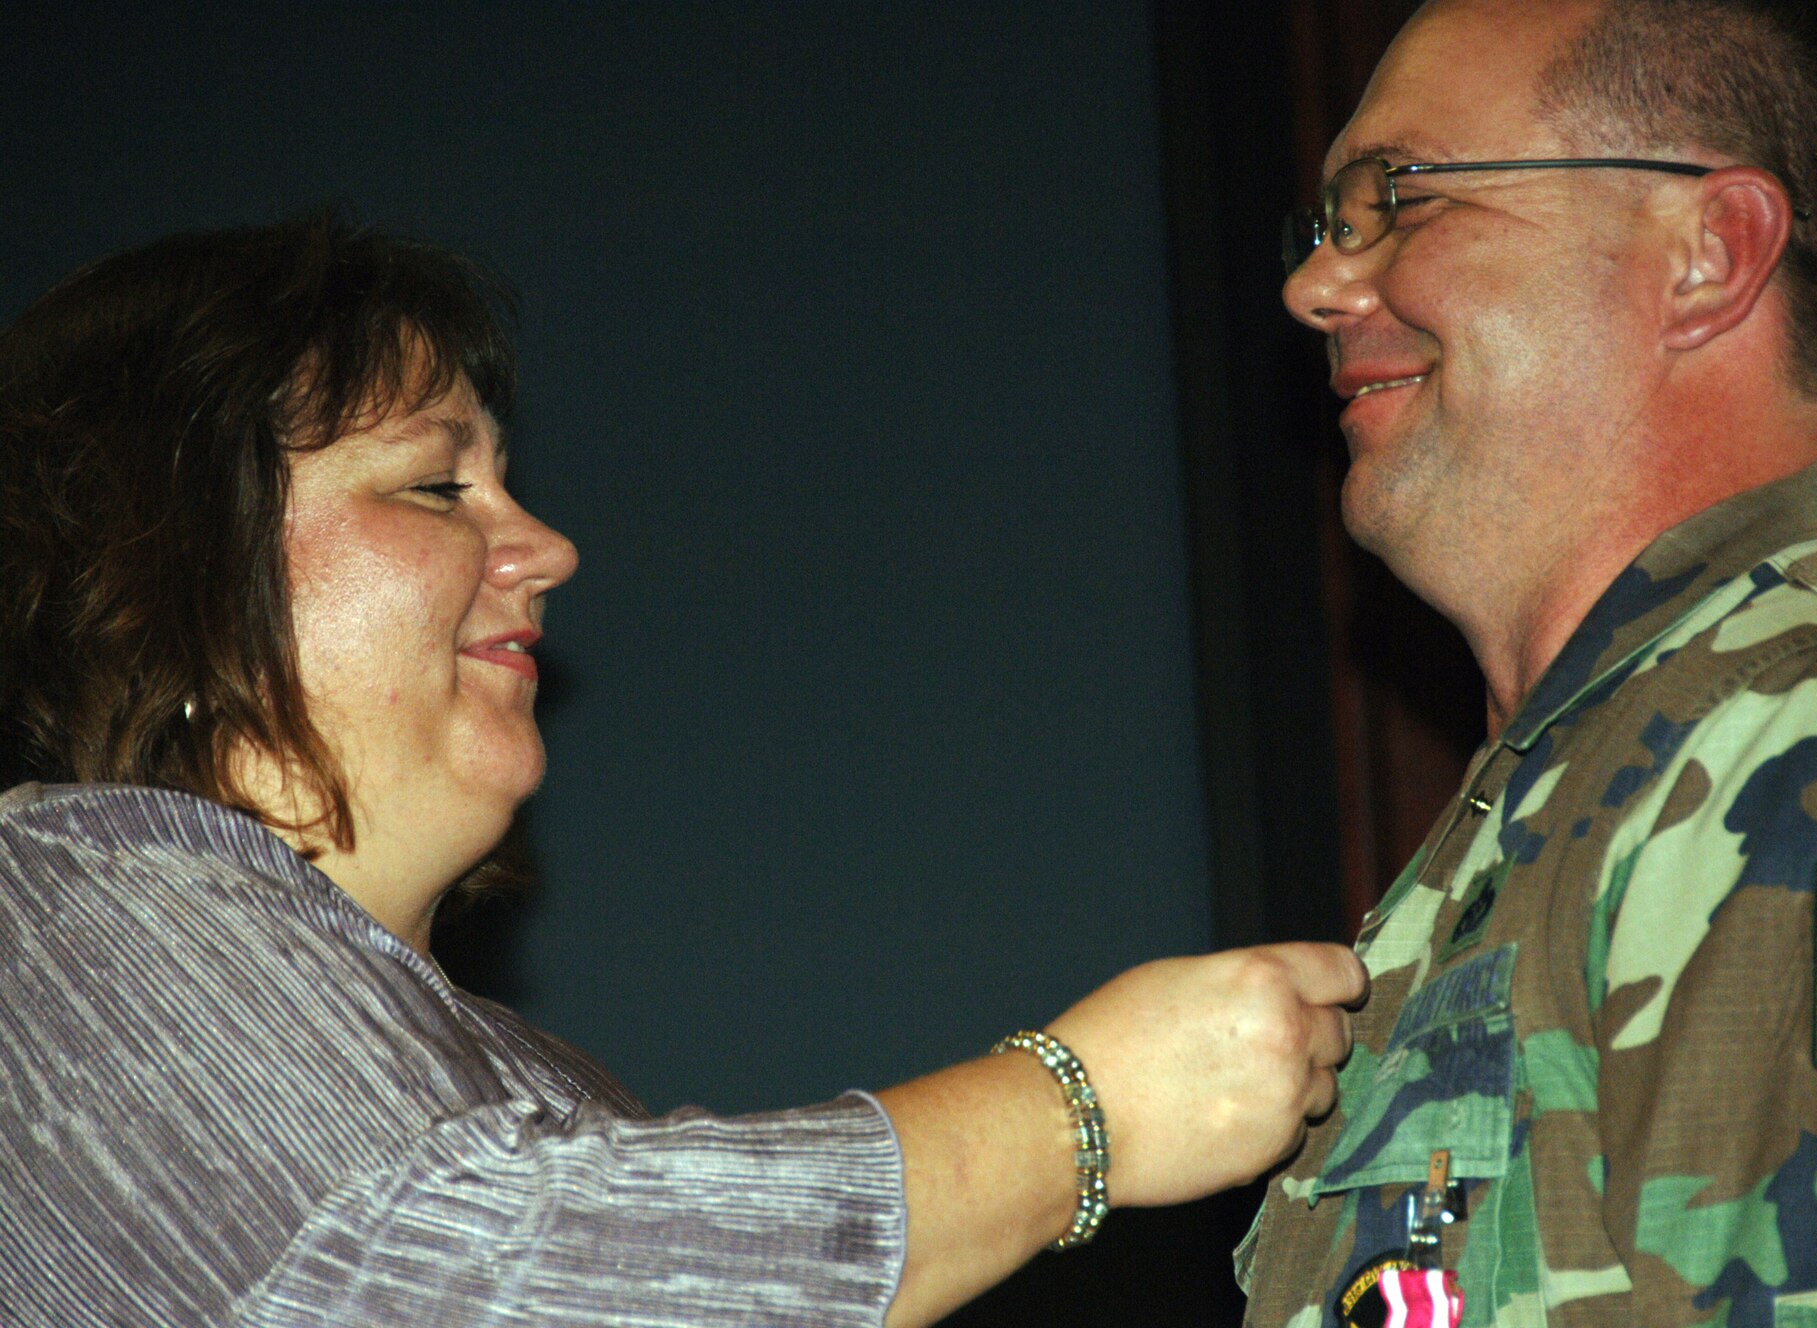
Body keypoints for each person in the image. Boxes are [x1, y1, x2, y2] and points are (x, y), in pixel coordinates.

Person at [0, 215, 1371, 1328]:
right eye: (436, 485)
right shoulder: (46, 929)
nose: (546, 544)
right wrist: (1073, 1111)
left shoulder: (547, 1088)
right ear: (168, 561)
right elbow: (463, 1282)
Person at [1239, 0, 1817, 1324]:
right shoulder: (1528, 824)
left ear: (1711, 252)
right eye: (1328, 223)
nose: (1317, 286)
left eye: (1399, 199)